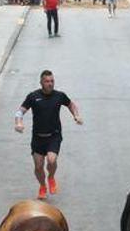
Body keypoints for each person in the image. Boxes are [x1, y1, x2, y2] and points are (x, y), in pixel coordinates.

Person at [14, 70, 84, 199]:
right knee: (38, 167)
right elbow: (20, 111)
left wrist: (76, 115)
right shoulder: (33, 96)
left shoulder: (59, 96)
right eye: (47, 81)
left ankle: (51, 177)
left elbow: (71, 105)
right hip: (38, 137)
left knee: (51, 160)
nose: (50, 84)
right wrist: (18, 123)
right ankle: (42, 186)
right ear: (41, 82)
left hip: (54, 136)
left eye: (52, 81)